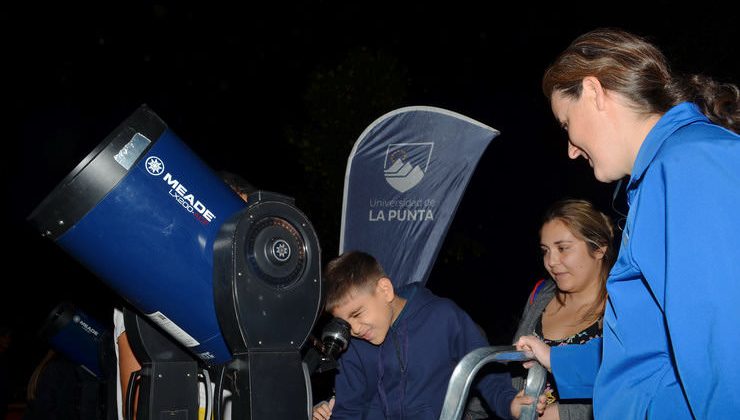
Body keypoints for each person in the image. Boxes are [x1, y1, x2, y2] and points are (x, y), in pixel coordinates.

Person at [515, 28, 740, 418]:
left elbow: (724, 346)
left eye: (566, 124)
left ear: (593, 92)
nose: (570, 151)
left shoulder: (692, 165)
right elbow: (648, 344)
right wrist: (560, 360)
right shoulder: (661, 176)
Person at [313, 250, 543, 420]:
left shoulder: (443, 316)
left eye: (358, 313)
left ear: (384, 290)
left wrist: (509, 403)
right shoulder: (353, 344)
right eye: (346, 322)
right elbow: (349, 409)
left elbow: (484, 367)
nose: (354, 329)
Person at [512, 199, 615, 420]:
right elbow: (511, 374)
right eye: (545, 251)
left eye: (563, 248)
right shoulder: (541, 295)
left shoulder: (620, 310)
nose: (551, 261)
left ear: (598, 249)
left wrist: (563, 414)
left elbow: (632, 386)